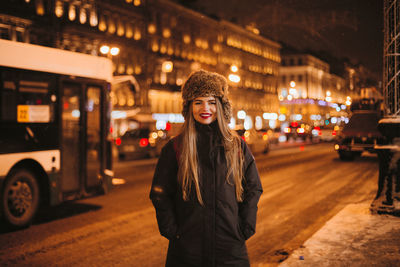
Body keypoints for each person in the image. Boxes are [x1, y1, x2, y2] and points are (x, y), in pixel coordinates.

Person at [150, 69, 263, 267]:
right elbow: (160, 193)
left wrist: (245, 227)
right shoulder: (176, 148)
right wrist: (173, 231)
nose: (206, 108)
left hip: (230, 251)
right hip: (186, 252)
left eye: (212, 102)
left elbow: (253, 188)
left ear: (221, 107)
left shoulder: (236, 146)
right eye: (198, 102)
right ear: (189, 107)